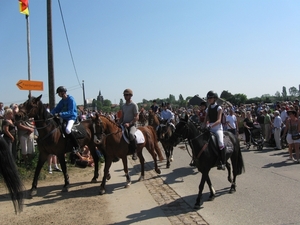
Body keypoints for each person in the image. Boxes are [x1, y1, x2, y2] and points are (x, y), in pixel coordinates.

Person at [51, 86, 80, 153]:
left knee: (67, 130)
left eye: (59, 93)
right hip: (64, 118)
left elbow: (71, 112)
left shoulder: (71, 99)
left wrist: (60, 114)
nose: (58, 95)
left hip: (71, 117)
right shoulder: (62, 101)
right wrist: (50, 114)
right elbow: (56, 109)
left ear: (63, 92)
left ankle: (77, 146)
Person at [204, 91, 226, 170]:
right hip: (209, 126)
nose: (209, 99)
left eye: (210, 98)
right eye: (208, 98)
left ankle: (223, 162)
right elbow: (206, 119)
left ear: (215, 98)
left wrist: (211, 126)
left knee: (220, 142)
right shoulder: (208, 108)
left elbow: (219, 120)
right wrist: (204, 125)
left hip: (217, 128)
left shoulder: (219, 108)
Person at [118, 89, 139, 160]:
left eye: (127, 95)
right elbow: (122, 116)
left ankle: (134, 151)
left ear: (130, 96)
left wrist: (129, 123)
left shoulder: (134, 105)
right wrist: (117, 122)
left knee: (131, 134)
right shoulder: (123, 106)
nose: (125, 96)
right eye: (124, 95)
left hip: (132, 125)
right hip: (124, 124)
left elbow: (136, 117)